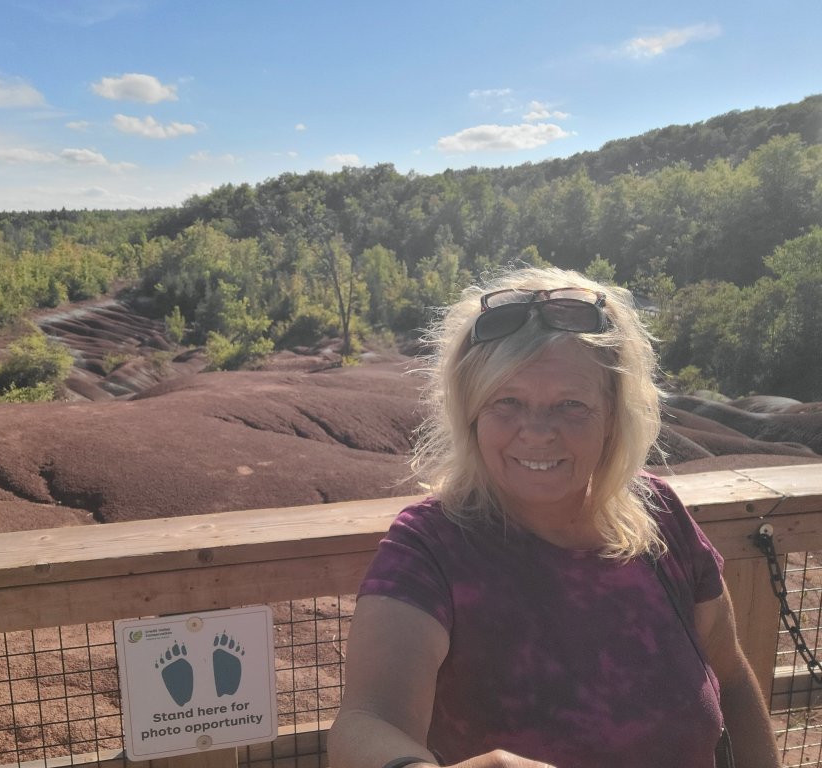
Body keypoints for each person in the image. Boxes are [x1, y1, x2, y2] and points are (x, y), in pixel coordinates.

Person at [328, 267, 780, 768]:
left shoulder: (657, 516)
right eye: (507, 401)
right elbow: (367, 721)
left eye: (571, 404)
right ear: (471, 411)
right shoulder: (429, 548)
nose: (538, 431)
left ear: (613, 415)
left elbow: (731, 677)